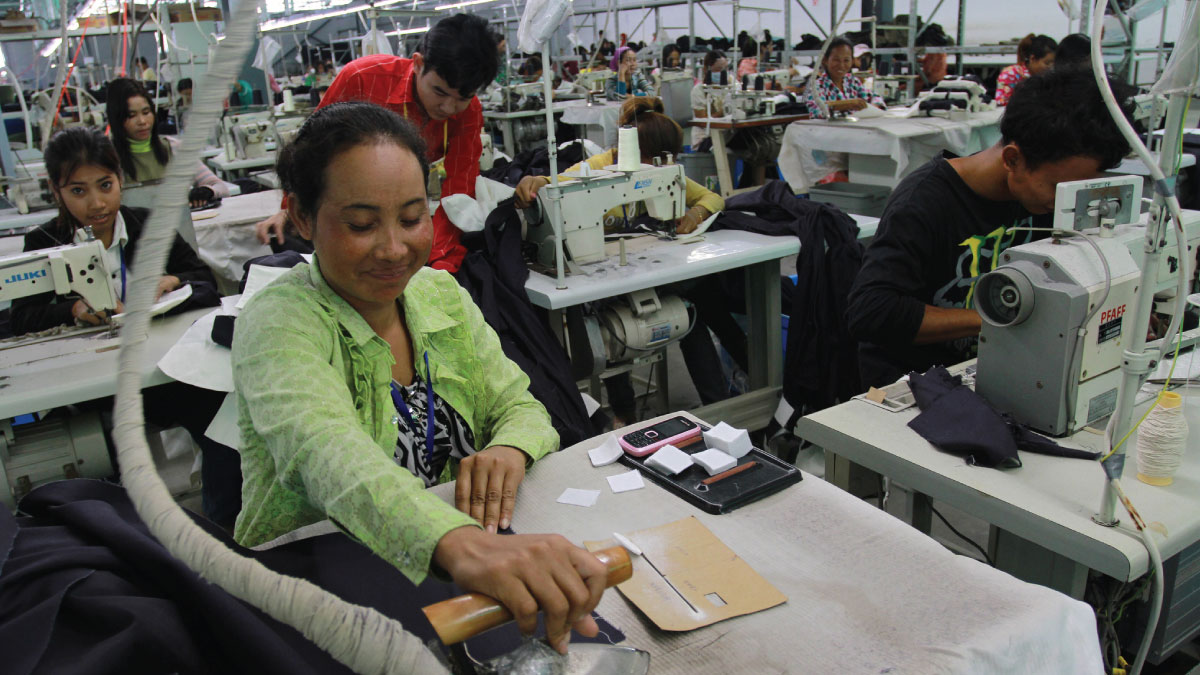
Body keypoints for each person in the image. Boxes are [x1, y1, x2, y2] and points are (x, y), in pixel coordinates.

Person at [233, 102, 606, 652]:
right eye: (361, 224)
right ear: (303, 217)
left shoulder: (439, 295)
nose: (393, 248)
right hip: (312, 580)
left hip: (447, 563)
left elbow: (521, 404)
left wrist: (510, 449)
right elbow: (323, 451)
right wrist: (458, 543)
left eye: (411, 218)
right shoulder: (279, 322)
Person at [845, 69, 1134, 388]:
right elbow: (870, 312)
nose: (1067, 200)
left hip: (993, 368)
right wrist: (999, 319)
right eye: (1058, 187)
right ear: (1012, 160)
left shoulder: (1048, 198)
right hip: (913, 383)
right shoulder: (923, 204)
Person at [512, 98, 728, 424]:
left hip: (629, 269)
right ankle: (624, 413)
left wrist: (695, 212)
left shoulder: (660, 171)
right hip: (592, 278)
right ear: (638, 157)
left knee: (691, 309)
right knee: (609, 326)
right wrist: (537, 183)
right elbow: (554, 185)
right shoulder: (598, 168)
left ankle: (719, 409)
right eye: (658, 165)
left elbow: (712, 196)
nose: (664, 171)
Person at [254, 13, 498, 275]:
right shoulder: (361, 79)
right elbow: (309, 155)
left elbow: (457, 193)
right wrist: (289, 211)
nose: (449, 107)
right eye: (439, 92)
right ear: (418, 64)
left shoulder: (468, 111)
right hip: (349, 204)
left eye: (462, 97)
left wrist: (440, 266)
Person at [10, 127, 216, 333]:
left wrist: (173, 279)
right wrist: (72, 309)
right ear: (56, 190)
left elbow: (204, 276)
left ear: (120, 178)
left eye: (106, 185)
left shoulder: (150, 225)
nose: (97, 203)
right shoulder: (44, 242)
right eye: (78, 191)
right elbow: (20, 318)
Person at [105, 78, 230, 208]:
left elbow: (220, 186)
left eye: (146, 112)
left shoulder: (175, 149)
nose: (142, 121)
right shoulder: (107, 159)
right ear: (116, 118)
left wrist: (207, 191)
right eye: (131, 115)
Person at [805, 36, 886, 118]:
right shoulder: (816, 86)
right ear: (825, 60)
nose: (841, 65)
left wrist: (874, 106)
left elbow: (875, 97)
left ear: (852, 61)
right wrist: (846, 104)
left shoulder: (853, 82)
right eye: (836, 60)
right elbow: (816, 112)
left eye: (846, 60)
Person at [994, 34, 1056, 106]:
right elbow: (1001, 103)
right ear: (1032, 59)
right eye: (1047, 63)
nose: (1050, 67)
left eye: (1053, 64)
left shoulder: (1050, 77)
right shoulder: (1010, 74)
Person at [690, 50, 729, 149]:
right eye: (718, 69)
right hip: (704, 138)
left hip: (725, 134)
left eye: (725, 69)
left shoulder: (731, 84)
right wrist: (722, 112)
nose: (722, 73)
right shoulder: (698, 90)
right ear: (706, 69)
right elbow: (702, 121)